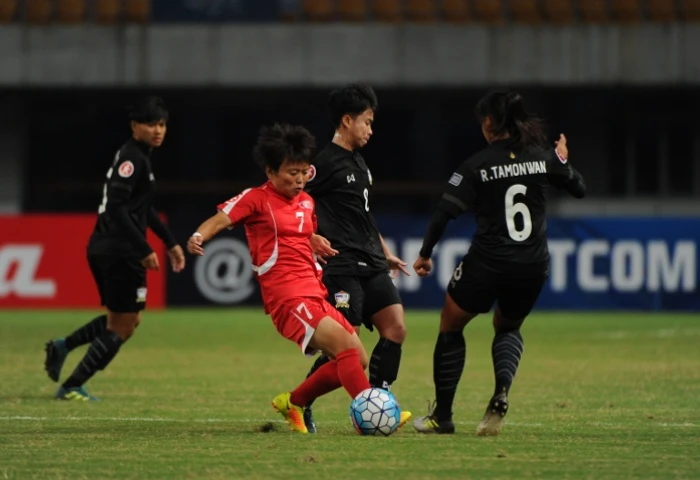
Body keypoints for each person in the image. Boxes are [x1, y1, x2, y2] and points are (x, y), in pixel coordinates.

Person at [412, 90, 586, 436]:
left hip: (488, 261)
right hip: (532, 264)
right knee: (507, 327)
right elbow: (579, 188)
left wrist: (425, 253)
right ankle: (501, 392)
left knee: (451, 323)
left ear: (489, 122)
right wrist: (562, 160)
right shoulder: (542, 157)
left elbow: (444, 213)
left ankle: (443, 416)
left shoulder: (476, 165)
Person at [186, 123, 376, 434]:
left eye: (304, 172)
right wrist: (198, 236)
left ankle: (294, 402)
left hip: (315, 293)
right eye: (292, 173)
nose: (300, 179)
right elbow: (221, 219)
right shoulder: (256, 199)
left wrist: (312, 239)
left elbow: (298, 232)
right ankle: (372, 414)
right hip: (288, 298)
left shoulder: (306, 202)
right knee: (345, 349)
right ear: (271, 172)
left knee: (358, 357)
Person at [44, 96, 186, 401]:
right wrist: (143, 248)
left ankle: (62, 346)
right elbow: (116, 208)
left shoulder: (138, 156)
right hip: (119, 249)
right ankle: (71, 386)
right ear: (135, 126)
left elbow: (141, 208)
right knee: (122, 326)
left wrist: (169, 241)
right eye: (151, 124)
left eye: (162, 124)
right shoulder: (132, 159)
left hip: (110, 246)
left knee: (127, 319)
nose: (158, 130)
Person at [300, 83, 411, 433]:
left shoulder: (359, 163)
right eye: (367, 122)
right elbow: (294, 201)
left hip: (372, 262)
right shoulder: (322, 164)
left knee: (396, 328)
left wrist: (385, 253)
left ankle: (379, 401)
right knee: (346, 350)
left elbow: (363, 215)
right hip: (342, 264)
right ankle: (301, 401)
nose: (370, 130)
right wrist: (310, 236)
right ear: (347, 121)